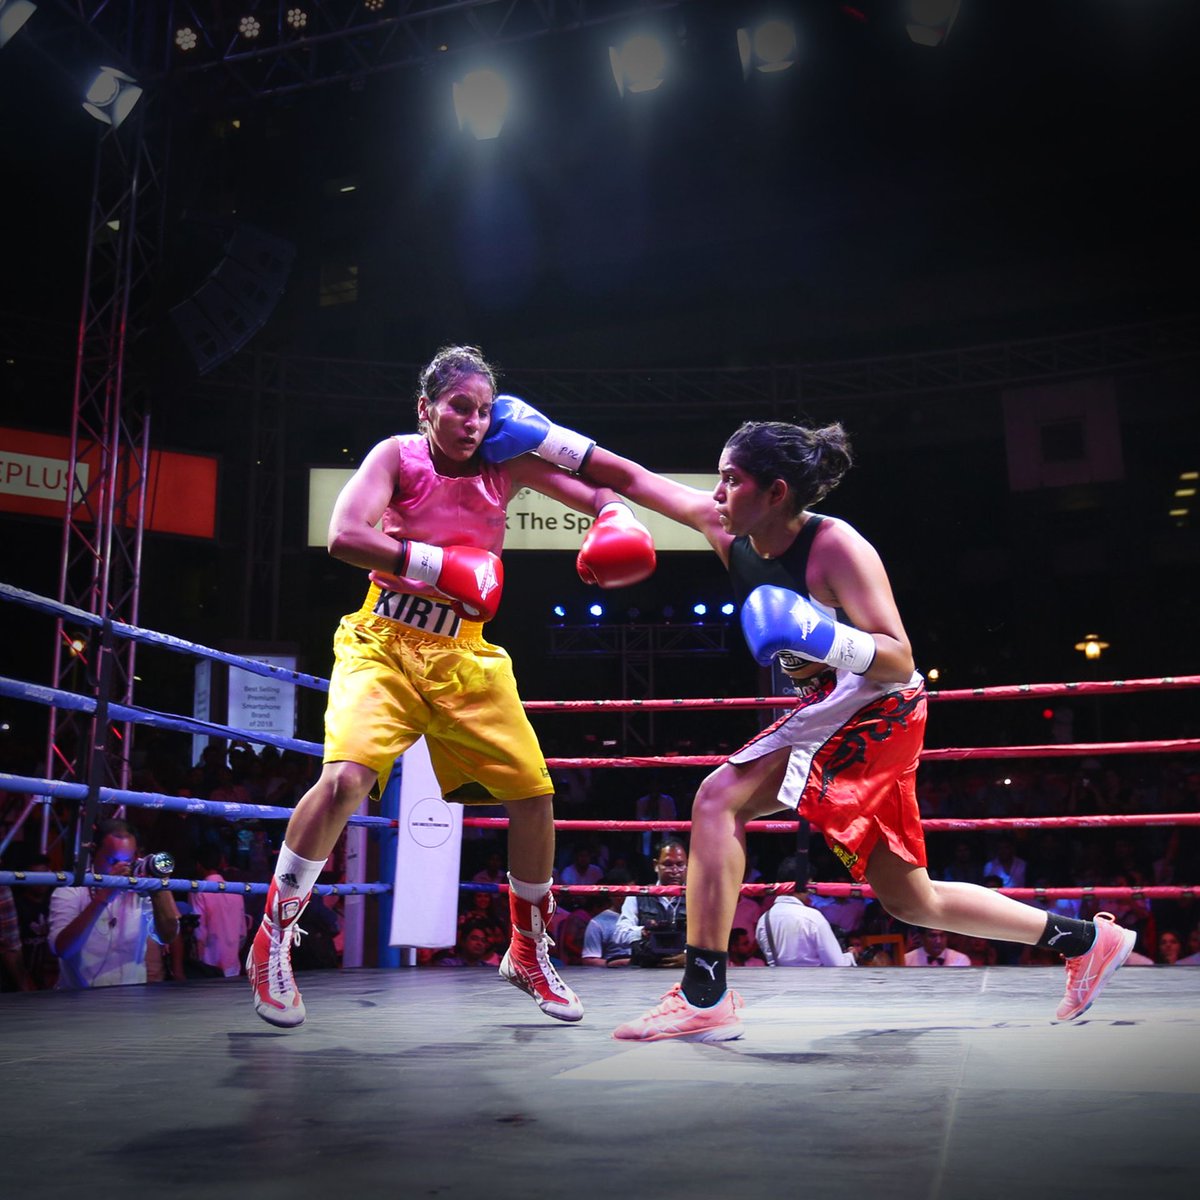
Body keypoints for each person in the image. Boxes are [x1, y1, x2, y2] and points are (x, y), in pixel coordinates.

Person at [479, 401, 1138, 1041]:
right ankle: (1086, 939)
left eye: (732, 479)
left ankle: (703, 993)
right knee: (909, 899)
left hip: (875, 700)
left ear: (776, 492)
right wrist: (532, 446)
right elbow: (631, 480)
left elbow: (901, 655)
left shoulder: (836, 548)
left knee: (717, 799)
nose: (717, 491)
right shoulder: (724, 528)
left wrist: (818, 633)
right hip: (841, 705)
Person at [246, 346, 654, 1028]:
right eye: (459, 407)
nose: (472, 421)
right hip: (383, 641)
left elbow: (597, 490)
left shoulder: (508, 463)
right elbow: (343, 534)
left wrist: (616, 518)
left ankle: (527, 951)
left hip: (465, 654)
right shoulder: (396, 456)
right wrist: (438, 563)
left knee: (533, 796)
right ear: (426, 407)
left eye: (483, 409)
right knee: (347, 780)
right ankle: (272, 938)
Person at [48, 819, 181, 989]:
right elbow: (62, 950)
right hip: (79, 1002)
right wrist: (103, 897)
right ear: (94, 851)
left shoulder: (139, 890)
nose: (122, 868)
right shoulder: (71, 890)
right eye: (113, 861)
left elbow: (167, 936)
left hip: (131, 1001)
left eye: (128, 861)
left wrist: (159, 890)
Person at [614, 838, 689, 968]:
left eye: (680, 864)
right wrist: (644, 931)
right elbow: (619, 935)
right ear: (656, 865)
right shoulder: (638, 895)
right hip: (643, 969)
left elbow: (708, 939)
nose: (675, 870)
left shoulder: (696, 898)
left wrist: (690, 956)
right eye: (668, 864)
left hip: (684, 970)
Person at [191, 845, 249, 978]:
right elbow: (242, 933)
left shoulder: (199, 892)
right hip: (232, 966)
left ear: (198, 865)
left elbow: (199, 933)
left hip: (208, 966)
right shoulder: (236, 891)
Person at [756, 894, 854, 967]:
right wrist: (851, 956)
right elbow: (837, 964)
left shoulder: (763, 920)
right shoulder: (812, 917)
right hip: (812, 987)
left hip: (778, 987)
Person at [580, 868, 636, 967]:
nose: (629, 897)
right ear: (612, 895)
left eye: (632, 893)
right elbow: (589, 959)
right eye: (623, 894)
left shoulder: (645, 915)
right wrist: (611, 963)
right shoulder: (597, 923)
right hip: (613, 977)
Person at [905, 928, 971, 967]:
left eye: (942, 935)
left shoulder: (960, 959)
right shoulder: (907, 960)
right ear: (922, 937)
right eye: (932, 936)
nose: (938, 941)